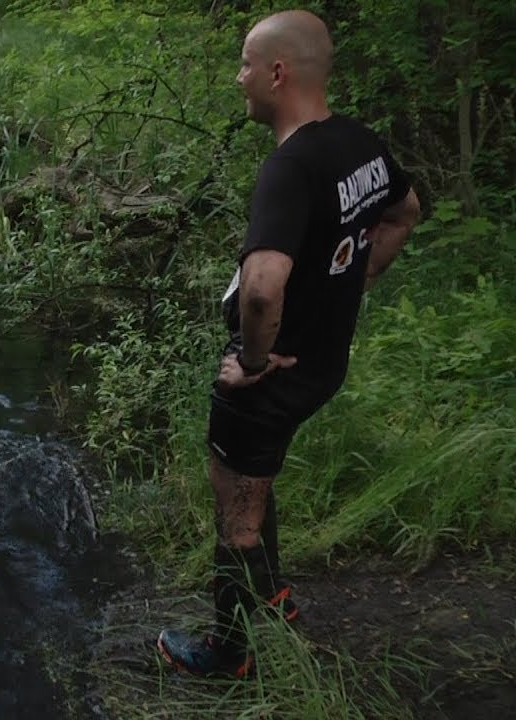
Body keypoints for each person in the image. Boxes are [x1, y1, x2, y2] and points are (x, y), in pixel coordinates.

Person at [156, 10, 421, 678]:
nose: (238, 78)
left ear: (277, 73)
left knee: (236, 509)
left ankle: (230, 654)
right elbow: (406, 211)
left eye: (245, 64)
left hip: (272, 381)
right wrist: (354, 279)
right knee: (258, 481)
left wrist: (249, 363)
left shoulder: (291, 168)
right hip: (326, 363)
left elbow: (262, 290)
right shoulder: (362, 143)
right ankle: (271, 596)